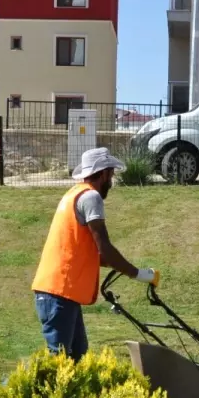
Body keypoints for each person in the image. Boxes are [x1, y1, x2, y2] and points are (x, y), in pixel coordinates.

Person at [31, 147, 159, 360]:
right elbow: (105, 248)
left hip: (60, 292)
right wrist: (140, 274)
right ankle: (6, 391)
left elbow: (87, 252)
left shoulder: (74, 193)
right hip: (58, 293)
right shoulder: (91, 197)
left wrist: (119, 265)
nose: (112, 179)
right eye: (111, 173)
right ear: (104, 173)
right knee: (57, 364)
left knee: (78, 357)